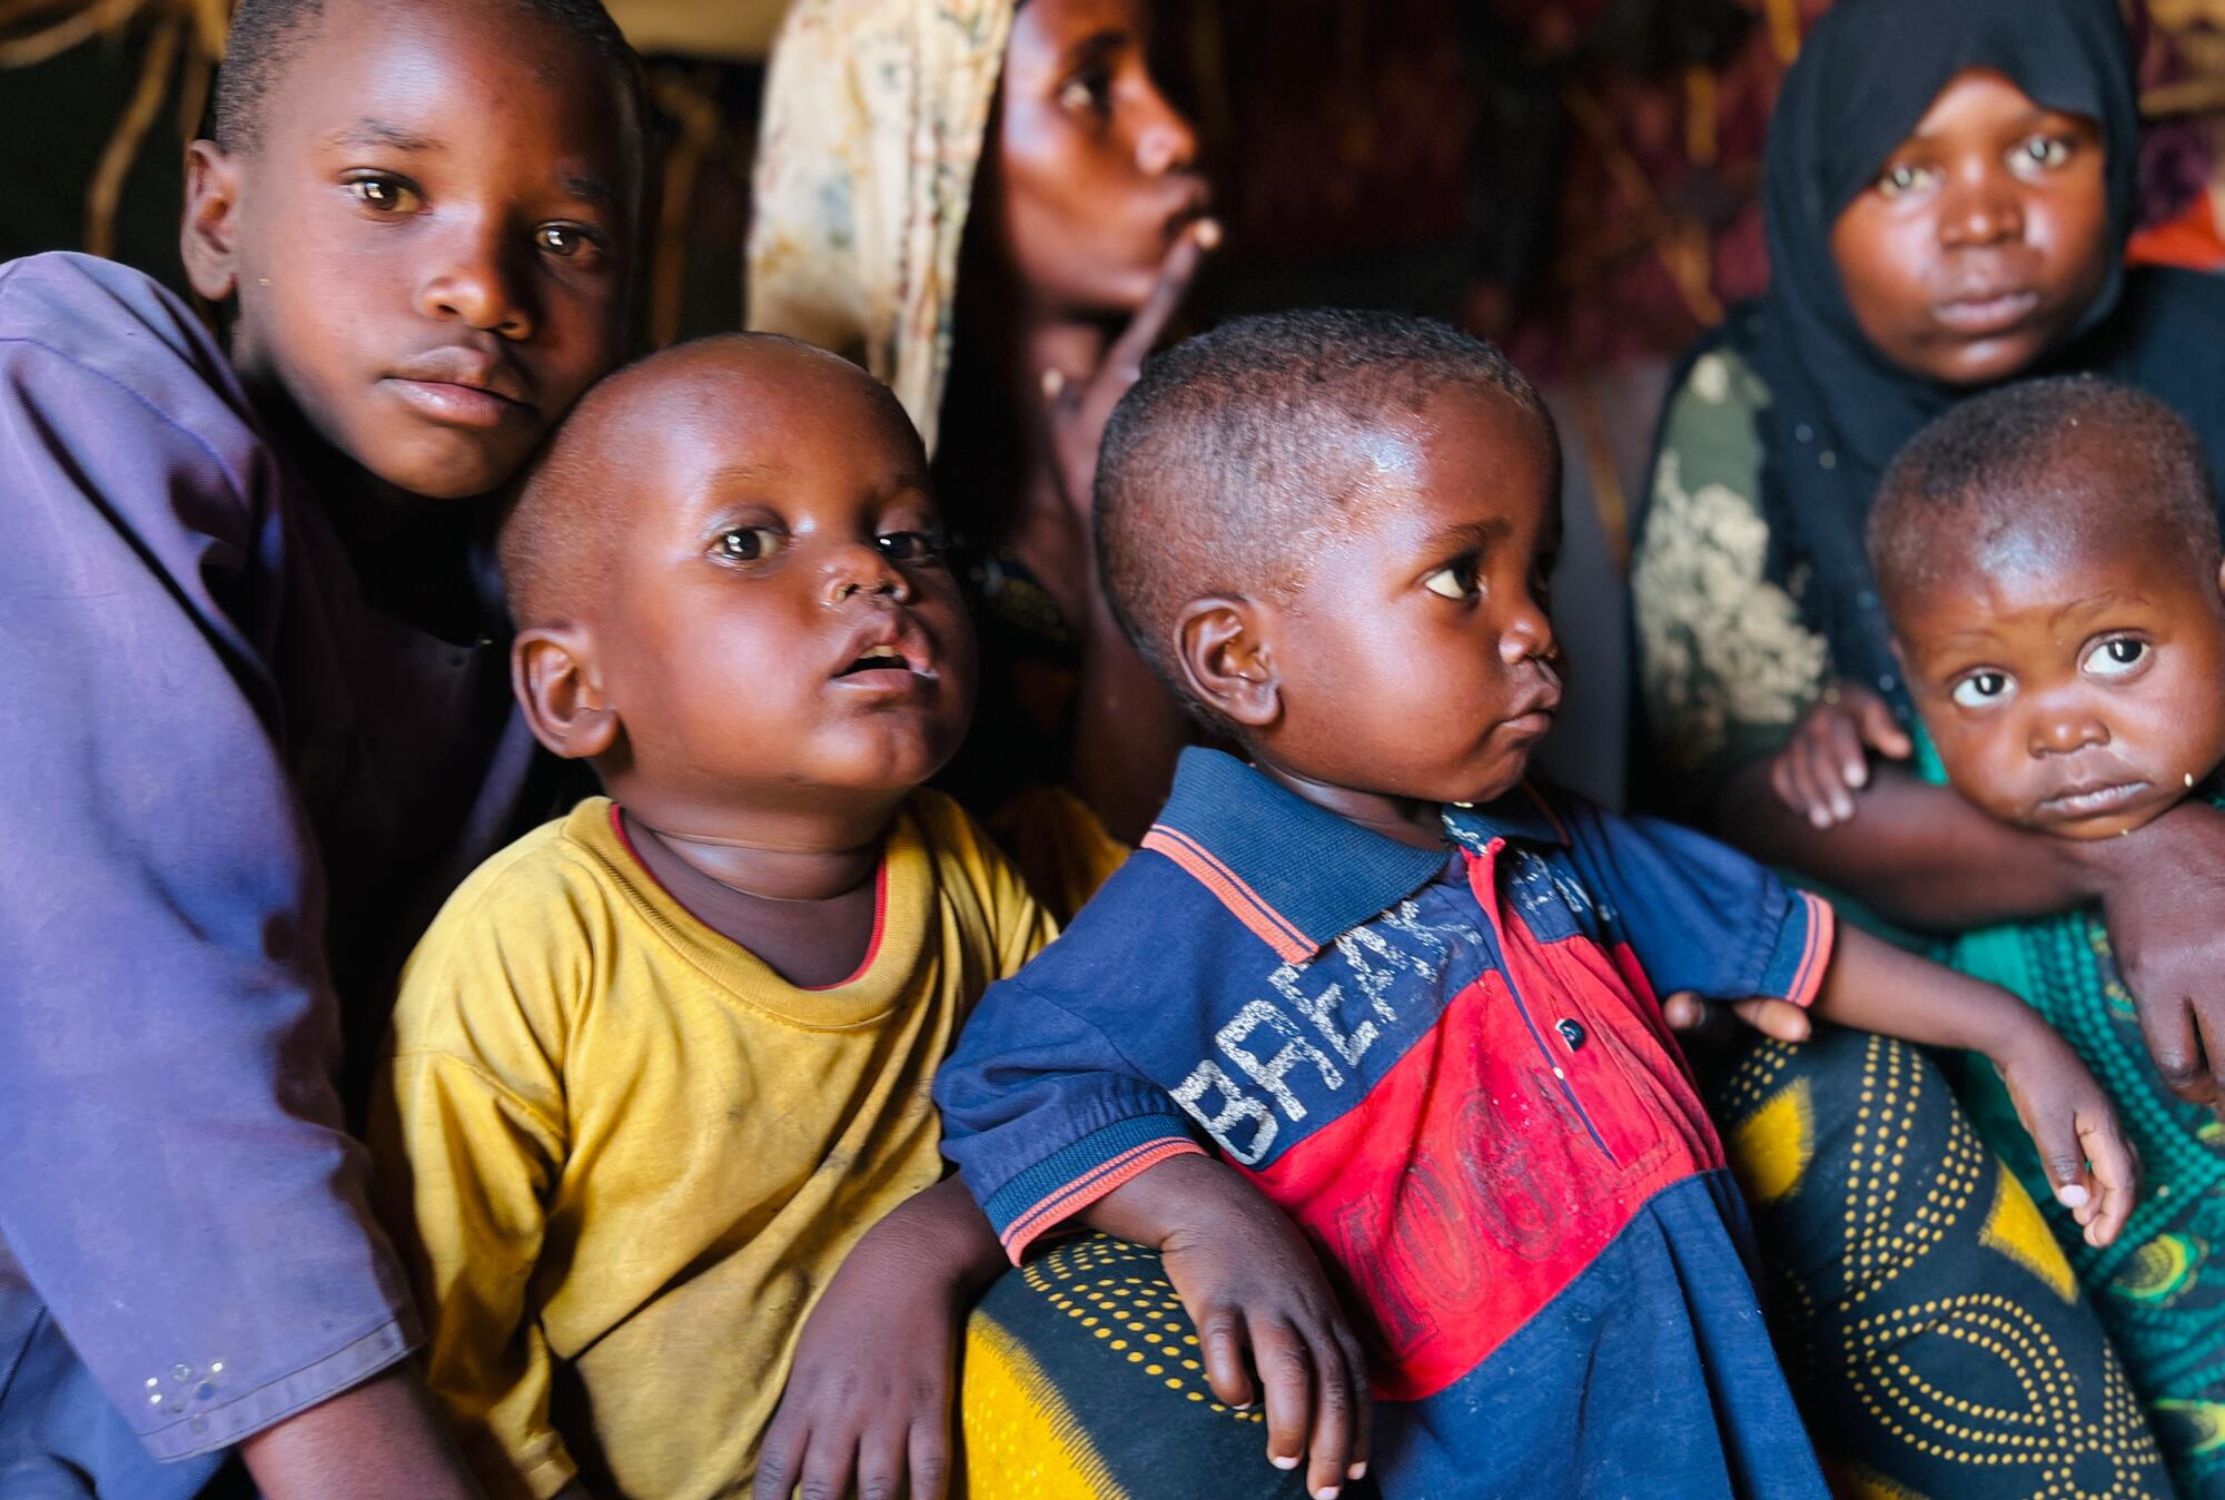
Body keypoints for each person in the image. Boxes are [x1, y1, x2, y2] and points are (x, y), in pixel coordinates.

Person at [935, 308, 2139, 1499]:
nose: (1533, 630)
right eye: (1459, 576)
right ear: (1240, 661)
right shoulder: (1193, 910)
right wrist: (1199, 1216)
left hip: (1728, 1435)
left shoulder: (1551, 835)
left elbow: (1773, 935)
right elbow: (1012, 1078)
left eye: (1539, 569)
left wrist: (2005, 1029)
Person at [0, 0, 643, 1494]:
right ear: (216, 215)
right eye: (386, 191)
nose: (482, 288)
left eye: (567, 239)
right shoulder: (73, 385)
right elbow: (130, 966)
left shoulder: (568, 631)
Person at [1629, 0, 2225, 1488]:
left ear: (2120, 153)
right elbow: (1749, 806)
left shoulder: (2209, 344)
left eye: (2041, 148)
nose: (1980, 221)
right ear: (1809, 195)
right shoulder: (1752, 402)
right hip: (1946, 987)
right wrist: (2137, 850)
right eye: (1901, 174)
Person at [368, 334, 1059, 1499]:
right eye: (748, 541)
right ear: (576, 692)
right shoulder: (534, 949)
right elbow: (456, 1366)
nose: (871, 575)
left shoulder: (964, 873)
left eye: (907, 538)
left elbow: (1086, 1110)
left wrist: (921, 1253)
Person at [1779, 376, 2225, 1493]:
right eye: (1980, 682)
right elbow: (1786, 879)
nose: (2058, 727)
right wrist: (1829, 751)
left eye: (2115, 651)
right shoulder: (1920, 818)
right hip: (2092, 1406)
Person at [747, 0, 1217, 920]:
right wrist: (1123, 529)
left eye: (1163, 84)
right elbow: (1106, 926)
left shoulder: (1247, 463)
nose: (1171, 137)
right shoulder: (866, 577)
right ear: (926, 155)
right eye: (1090, 88)